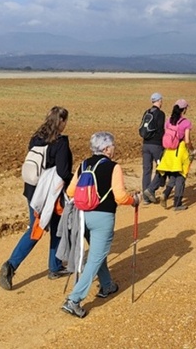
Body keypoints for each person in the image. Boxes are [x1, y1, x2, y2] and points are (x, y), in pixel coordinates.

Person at [60, 132, 140, 318]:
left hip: (82, 217)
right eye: (112, 146)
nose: (114, 149)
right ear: (106, 149)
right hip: (103, 218)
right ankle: (74, 300)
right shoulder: (114, 167)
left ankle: (107, 285)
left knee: (98, 253)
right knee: (95, 257)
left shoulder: (84, 165)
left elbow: (71, 191)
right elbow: (120, 196)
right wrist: (133, 200)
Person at [0, 106, 73, 291]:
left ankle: (53, 266)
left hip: (32, 192)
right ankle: (12, 265)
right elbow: (63, 172)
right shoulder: (60, 143)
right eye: (65, 121)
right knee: (47, 230)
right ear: (61, 121)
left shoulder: (36, 138)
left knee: (40, 227)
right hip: (51, 194)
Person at [144, 99, 194, 210]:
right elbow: (186, 140)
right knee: (180, 176)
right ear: (184, 109)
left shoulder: (168, 121)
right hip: (179, 152)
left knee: (172, 175)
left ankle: (165, 194)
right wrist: (192, 149)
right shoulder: (186, 123)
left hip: (168, 152)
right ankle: (177, 203)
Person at [139, 92, 166, 193]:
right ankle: (151, 190)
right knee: (162, 168)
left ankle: (146, 196)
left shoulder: (147, 112)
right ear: (159, 101)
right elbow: (160, 130)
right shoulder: (160, 114)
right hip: (156, 145)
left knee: (146, 170)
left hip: (145, 144)